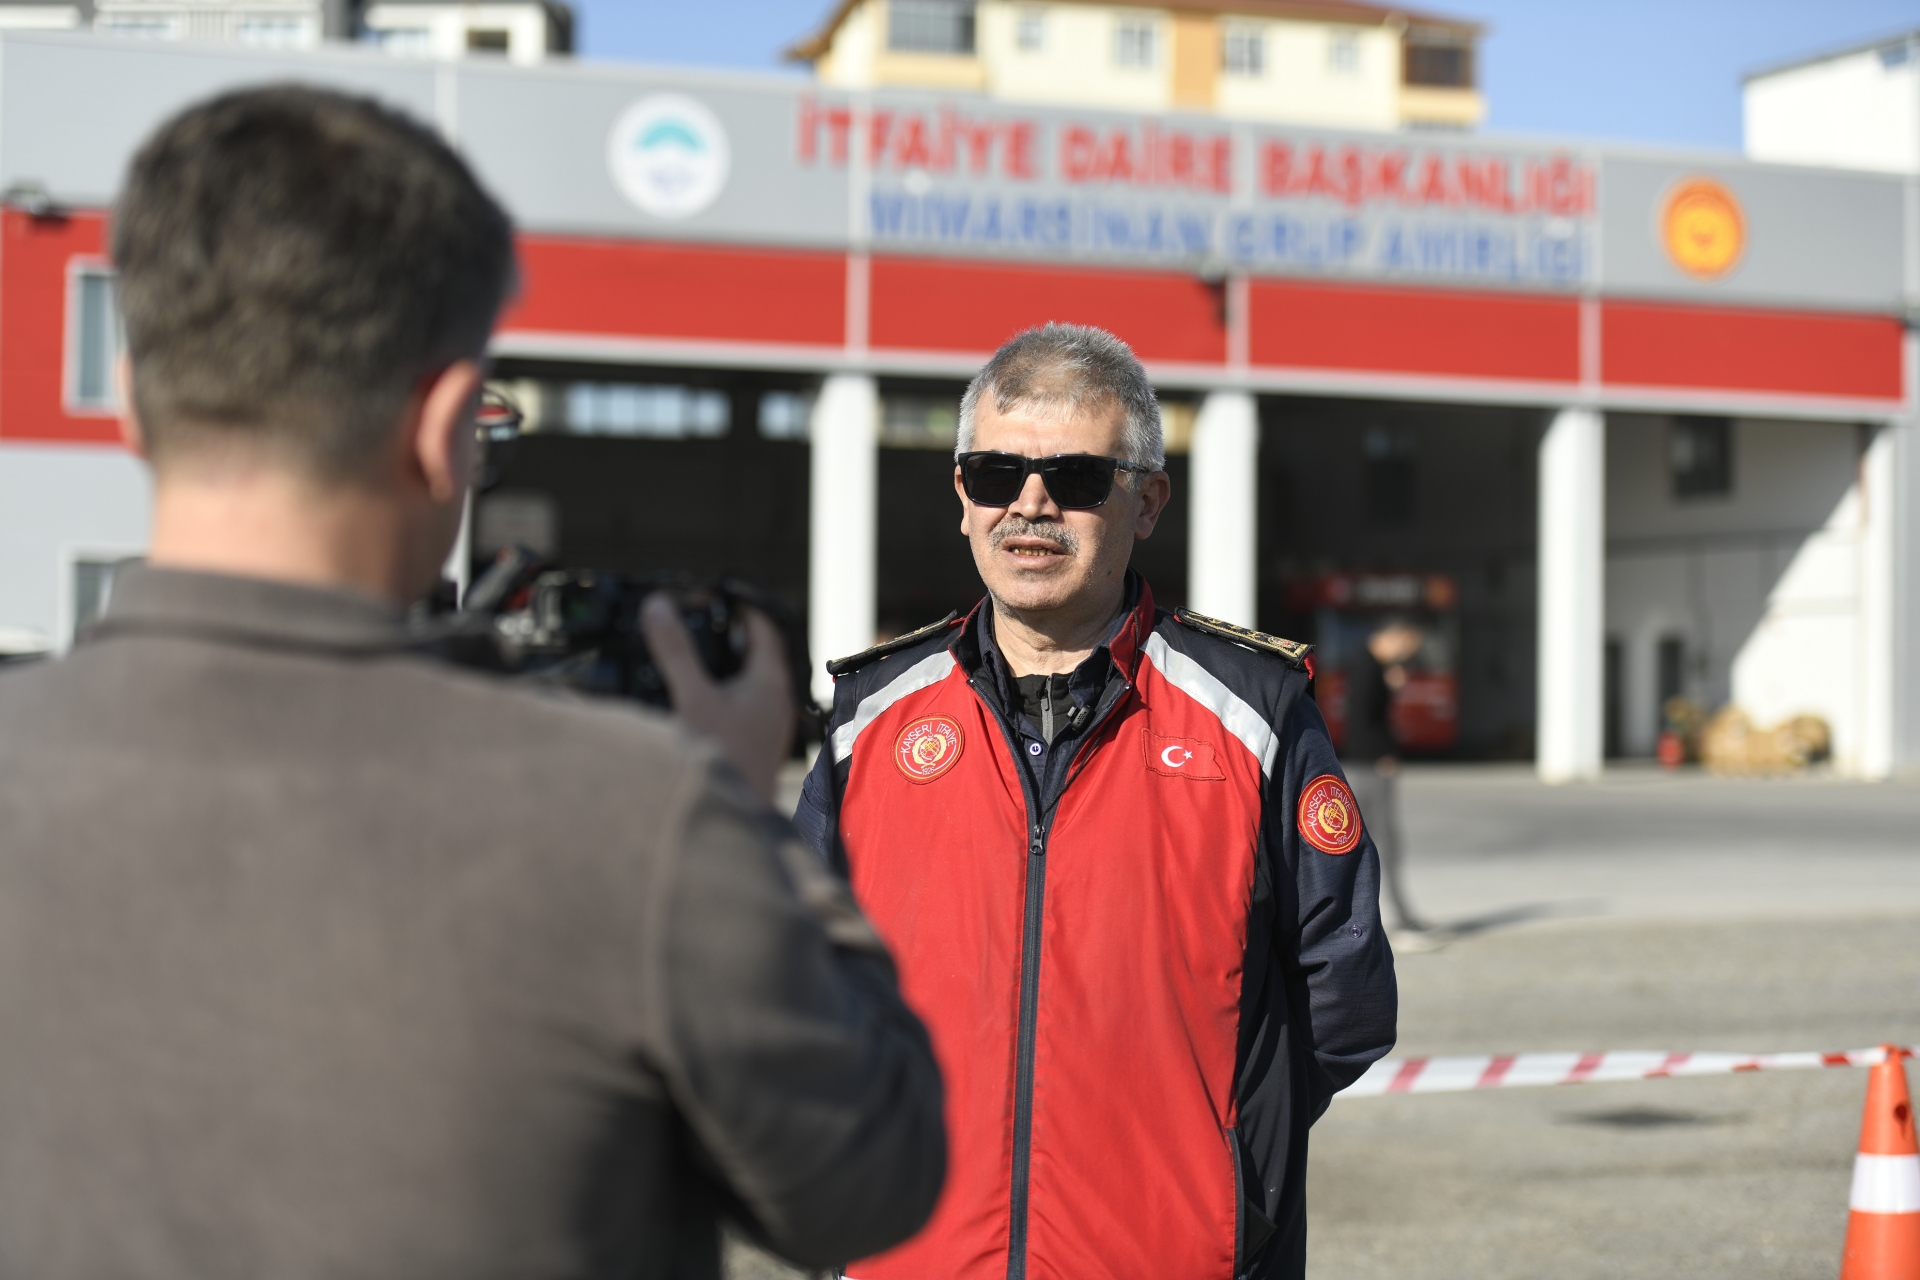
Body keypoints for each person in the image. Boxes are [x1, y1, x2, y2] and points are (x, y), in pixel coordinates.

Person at [0, 86, 944, 1279]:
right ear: (447, 426)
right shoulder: (641, 822)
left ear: (134, 401)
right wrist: (747, 824)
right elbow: (876, 1176)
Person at [794, 324, 1398, 1280]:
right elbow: (791, 981)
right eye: (996, 474)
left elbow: (1347, 998)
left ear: (1147, 501)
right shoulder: (867, 721)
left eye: (1076, 478)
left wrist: (1227, 1177)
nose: (1030, 505)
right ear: (962, 497)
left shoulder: (1254, 714)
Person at [1342, 619, 1430, 934]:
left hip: (1367, 763)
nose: (1406, 654)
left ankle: (1363, 919)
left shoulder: (1368, 664)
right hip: (1372, 765)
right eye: (1406, 647)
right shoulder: (1368, 667)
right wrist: (1384, 754)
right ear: (1394, 636)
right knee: (1383, 842)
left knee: (1362, 841)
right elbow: (1363, 719)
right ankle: (1400, 920)